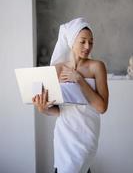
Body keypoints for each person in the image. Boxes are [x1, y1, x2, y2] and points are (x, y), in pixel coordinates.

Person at [32, 18, 109, 173]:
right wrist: (43, 109)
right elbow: (59, 110)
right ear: (72, 41)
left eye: (91, 42)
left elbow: (101, 107)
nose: (88, 46)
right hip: (64, 134)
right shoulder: (58, 69)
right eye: (83, 41)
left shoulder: (97, 67)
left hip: (86, 133)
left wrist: (79, 79)